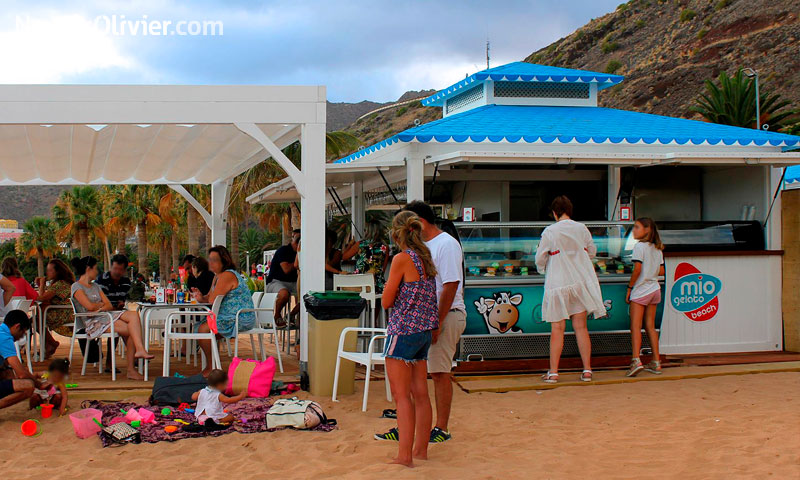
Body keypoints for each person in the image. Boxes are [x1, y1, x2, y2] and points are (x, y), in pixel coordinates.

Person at [373, 211, 438, 467]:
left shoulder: (401, 259)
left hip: (403, 330)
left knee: (402, 397)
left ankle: (405, 456)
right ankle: (421, 450)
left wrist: (395, 288)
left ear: (396, 232)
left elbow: (387, 301)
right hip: (423, 331)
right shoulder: (425, 257)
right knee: (421, 394)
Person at [402, 200, 466, 443]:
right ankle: (415, 424)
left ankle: (441, 428)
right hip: (425, 318)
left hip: (445, 315)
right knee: (415, 373)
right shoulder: (421, 245)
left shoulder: (446, 244)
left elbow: (450, 285)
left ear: (420, 222)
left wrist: (437, 322)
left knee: (440, 372)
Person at [535, 196, 605, 383]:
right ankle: (587, 370)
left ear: (554, 212)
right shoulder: (581, 228)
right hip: (578, 281)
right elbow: (592, 251)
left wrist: (543, 267)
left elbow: (540, 257)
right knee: (581, 327)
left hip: (558, 282)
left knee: (557, 328)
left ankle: (554, 372)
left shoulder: (550, 231)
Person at [70, 256, 153, 380]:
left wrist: (98, 307)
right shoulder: (76, 286)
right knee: (131, 329)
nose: (97, 272)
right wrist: (99, 306)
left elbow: (108, 304)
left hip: (105, 316)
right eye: (95, 268)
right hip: (93, 323)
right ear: (89, 269)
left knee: (134, 316)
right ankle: (132, 366)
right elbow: (89, 306)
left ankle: (139, 351)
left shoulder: (95, 287)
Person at [190, 246, 255, 377]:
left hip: (240, 317)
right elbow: (209, 297)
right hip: (227, 316)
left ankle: (211, 367)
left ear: (224, 261)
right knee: (201, 327)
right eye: (210, 259)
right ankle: (213, 364)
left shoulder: (227, 275)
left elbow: (213, 299)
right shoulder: (217, 276)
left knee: (203, 329)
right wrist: (200, 297)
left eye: (215, 260)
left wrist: (207, 297)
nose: (211, 263)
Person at [625, 218, 666, 377]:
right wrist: (651, 272)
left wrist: (630, 288)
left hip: (641, 290)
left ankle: (636, 360)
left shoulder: (639, 247)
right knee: (650, 326)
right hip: (654, 289)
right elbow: (661, 271)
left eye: (636, 227)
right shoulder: (657, 248)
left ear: (646, 230)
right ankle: (656, 362)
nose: (634, 230)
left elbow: (637, 269)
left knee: (635, 327)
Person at [36, 259, 75, 358]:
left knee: (35, 320)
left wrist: (42, 285)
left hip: (64, 313)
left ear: (57, 271)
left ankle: (51, 344)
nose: (47, 273)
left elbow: (41, 298)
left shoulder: (60, 284)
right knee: (38, 317)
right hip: (63, 311)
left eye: (50, 270)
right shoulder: (62, 283)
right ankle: (49, 345)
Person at [0, 310, 36, 410]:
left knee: (8, 372)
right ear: (17, 326)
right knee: (29, 386)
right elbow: (22, 374)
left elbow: (12, 372)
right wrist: (38, 383)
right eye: (22, 333)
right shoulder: (5, 338)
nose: (21, 337)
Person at [264, 230, 300, 325]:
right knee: (284, 294)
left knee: (308, 297)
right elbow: (286, 269)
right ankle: (277, 315)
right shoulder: (283, 250)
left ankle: (291, 314)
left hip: (293, 282)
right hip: (276, 281)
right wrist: (298, 260)